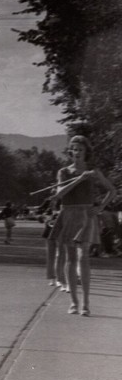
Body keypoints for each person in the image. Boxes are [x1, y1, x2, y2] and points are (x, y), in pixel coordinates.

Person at [53, 135, 117, 316]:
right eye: (74, 149)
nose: (77, 153)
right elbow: (59, 194)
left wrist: (99, 208)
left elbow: (112, 191)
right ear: (70, 151)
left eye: (81, 149)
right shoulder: (64, 172)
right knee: (71, 258)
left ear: (86, 152)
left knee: (84, 258)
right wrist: (79, 179)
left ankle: (86, 303)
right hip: (68, 213)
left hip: (87, 215)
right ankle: (73, 302)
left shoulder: (94, 171)